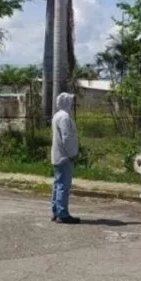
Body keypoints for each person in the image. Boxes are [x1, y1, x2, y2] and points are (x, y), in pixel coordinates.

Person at [51, 92, 80, 224]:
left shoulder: (57, 115)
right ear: (66, 102)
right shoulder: (64, 117)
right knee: (63, 185)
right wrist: (72, 153)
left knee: (58, 185)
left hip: (58, 155)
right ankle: (62, 214)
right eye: (70, 101)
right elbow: (67, 137)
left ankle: (56, 211)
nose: (72, 103)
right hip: (64, 156)